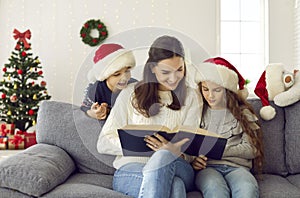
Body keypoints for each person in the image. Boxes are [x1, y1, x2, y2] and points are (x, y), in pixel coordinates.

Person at [97, 35, 203, 198]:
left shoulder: (192, 97)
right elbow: (103, 142)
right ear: (152, 68)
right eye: (166, 72)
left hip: (178, 166)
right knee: (175, 188)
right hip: (132, 168)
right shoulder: (130, 93)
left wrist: (173, 150)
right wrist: (142, 144)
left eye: (179, 70)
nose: (174, 78)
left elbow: (192, 146)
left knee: (164, 155)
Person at [192, 57, 264, 198]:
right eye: (205, 89)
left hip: (238, 168)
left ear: (227, 91)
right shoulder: (198, 112)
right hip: (208, 169)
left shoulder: (244, 113)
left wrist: (215, 149)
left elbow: (252, 149)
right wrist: (194, 160)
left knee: (247, 190)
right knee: (215, 191)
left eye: (217, 90)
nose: (210, 96)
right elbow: (192, 146)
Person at [80, 43, 137, 120]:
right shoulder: (95, 90)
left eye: (127, 71)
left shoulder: (134, 86)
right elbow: (85, 108)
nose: (124, 78)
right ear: (105, 76)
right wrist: (94, 113)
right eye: (117, 74)